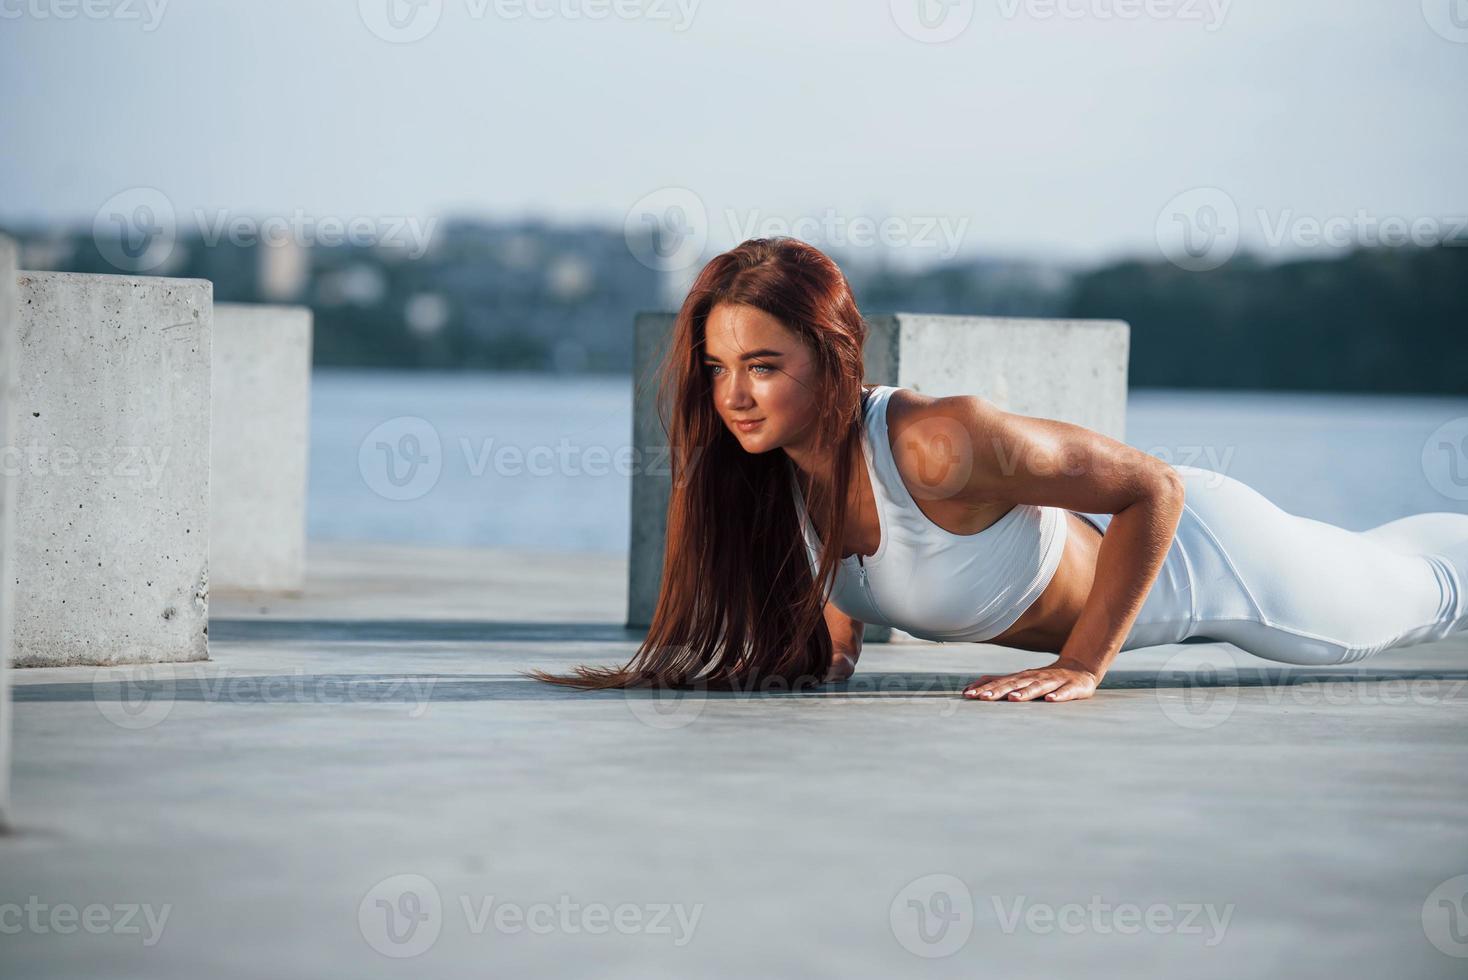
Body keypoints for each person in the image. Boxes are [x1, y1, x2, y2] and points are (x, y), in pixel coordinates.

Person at [528, 238, 1468, 702]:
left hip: (1223, 569)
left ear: (834, 359)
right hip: (1174, 564)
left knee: (1426, 591)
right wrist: (832, 648)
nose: (734, 395)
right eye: (720, 367)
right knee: (1389, 548)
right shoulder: (766, 467)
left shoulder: (937, 442)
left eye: (764, 367)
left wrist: (1083, 666)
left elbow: (1155, 487)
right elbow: (845, 570)